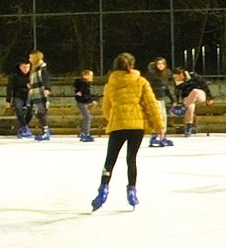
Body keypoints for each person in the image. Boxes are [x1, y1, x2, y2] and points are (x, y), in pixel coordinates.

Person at [92, 53, 164, 211]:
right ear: (132, 65)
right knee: (131, 159)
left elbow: (106, 107)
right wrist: (158, 125)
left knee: (110, 159)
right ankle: (132, 190)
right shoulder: (140, 81)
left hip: (118, 124)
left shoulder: (110, 84)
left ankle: (103, 188)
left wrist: (114, 118)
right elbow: (151, 104)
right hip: (136, 125)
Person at [143, 56, 176, 148]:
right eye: (158, 64)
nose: (160, 66)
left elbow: (167, 88)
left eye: (162, 64)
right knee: (158, 118)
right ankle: (155, 136)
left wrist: (173, 100)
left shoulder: (165, 75)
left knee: (164, 118)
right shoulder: (151, 75)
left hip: (161, 99)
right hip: (154, 99)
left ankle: (162, 137)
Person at [172, 68, 210, 137]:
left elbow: (204, 84)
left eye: (177, 77)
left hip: (199, 94)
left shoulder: (193, 75)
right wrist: (175, 102)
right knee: (190, 106)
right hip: (188, 99)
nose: (176, 79)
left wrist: (209, 98)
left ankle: (183, 107)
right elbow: (176, 92)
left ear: (181, 75)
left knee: (194, 91)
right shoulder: (177, 82)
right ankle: (189, 127)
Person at [24, 51, 54, 140]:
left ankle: (45, 131)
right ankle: (44, 130)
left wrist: (47, 88)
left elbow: (45, 78)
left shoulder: (41, 68)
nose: (29, 59)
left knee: (41, 112)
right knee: (38, 112)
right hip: (35, 93)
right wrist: (30, 84)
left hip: (40, 93)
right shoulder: (35, 69)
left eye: (31, 57)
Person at [5, 60, 34, 139]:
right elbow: (9, 88)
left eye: (28, 67)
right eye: (24, 67)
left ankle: (23, 128)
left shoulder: (32, 75)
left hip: (29, 96)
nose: (26, 69)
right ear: (20, 67)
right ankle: (24, 128)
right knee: (18, 108)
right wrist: (8, 100)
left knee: (31, 112)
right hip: (18, 96)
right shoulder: (14, 75)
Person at [73, 68, 97, 142]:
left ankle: (83, 133)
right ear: (85, 76)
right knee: (87, 117)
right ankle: (85, 133)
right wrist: (90, 100)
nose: (92, 77)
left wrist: (91, 100)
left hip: (83, 102)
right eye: (90, 75)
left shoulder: (85, 84)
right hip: (82, 102)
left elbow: (86, 94)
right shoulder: (83, 84)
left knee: (87, 117)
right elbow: (82, 94)